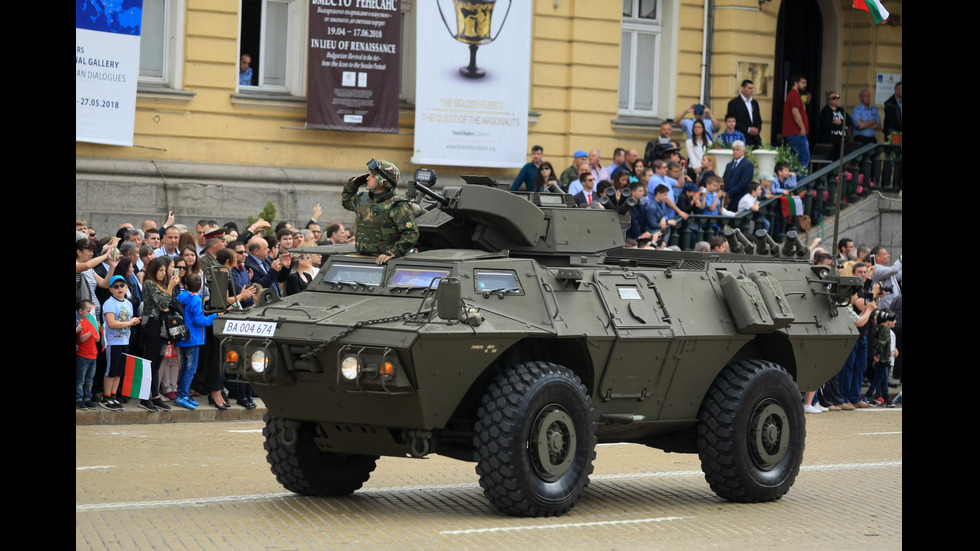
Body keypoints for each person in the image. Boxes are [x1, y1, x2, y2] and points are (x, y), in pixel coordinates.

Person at [342, 158, 419, 265]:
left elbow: (411, 234)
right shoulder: (362, 199)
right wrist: (353, 184)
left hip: (385, 262)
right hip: (361, 259)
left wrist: (393, 252)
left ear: (383, 181)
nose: (367, 178)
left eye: (372, 176)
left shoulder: (398, 205)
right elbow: (346, 202)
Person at [173, 273, 218, 410]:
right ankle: (182, 395)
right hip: (193, 338)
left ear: (186, 286)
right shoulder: (197, 300)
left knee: (186, 367)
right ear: (199, 288)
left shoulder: (181, 297)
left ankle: (184, 394)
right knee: (191, 368)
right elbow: (199, 320)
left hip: (183, 336)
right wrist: (214, 316)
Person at [101, 276, 142, 410]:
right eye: (116, 286)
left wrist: (134, 321)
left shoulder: (128, 303)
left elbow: (127, 321)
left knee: (119, 370)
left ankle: (113, 395)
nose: (119, 288)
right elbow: (111, 323)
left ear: (126, 287)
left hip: (125, 340)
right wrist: (130, 322)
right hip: (113, 342)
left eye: (122, 285)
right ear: (111, 289)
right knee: (111, 369)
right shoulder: (109, 303)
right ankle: (106, 396)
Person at [782, 73, 810, 173]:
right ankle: (801, 185)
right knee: (804, 158)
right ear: (796, 83)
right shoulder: (794, 95)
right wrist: (802, 127)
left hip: (793, 133)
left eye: (805, 83)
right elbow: (795, 113)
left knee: (794, 161)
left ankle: (794, 184)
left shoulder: (792, 94)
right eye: (802, 83)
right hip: (797, 133)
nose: (805, 85)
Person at [76, 300, 102, 410]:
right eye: (89, 312)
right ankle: (79, 399)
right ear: (80, 311)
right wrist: (92, 329)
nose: (92, 315)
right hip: (82, 356)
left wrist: (97, 329)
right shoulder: (79, 323)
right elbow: (81, 339)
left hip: (93, 356)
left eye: (94, 312)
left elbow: (97, 340)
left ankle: (88, 399)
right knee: (80, 380)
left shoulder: (92, 323)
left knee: (89, 380)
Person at [817, 90, 852, 160]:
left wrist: (840, 122)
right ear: (829, 100)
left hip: (842, 141)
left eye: (838, 97)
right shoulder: (825, 111)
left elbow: (849, 121)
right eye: (834, 98)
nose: (836, 99)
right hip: (831, 141)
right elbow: (827, 124)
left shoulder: (841, 110)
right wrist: (843, 127)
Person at [727, 80, 763, 146]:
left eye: (753, 88)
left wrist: (757, 129)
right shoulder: (734, 103)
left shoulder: (754, 103)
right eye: (749, 88)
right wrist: (748, 129)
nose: (752, 90)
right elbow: (732, 122)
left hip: (755, 139)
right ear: (742, 88)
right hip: (741, 138)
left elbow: (759, 120)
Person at [722, 140, 754, 206]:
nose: (735, 152)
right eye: (734, 150)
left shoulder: (748, 165)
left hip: (739, 199)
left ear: (743, 151)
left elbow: (744, 183)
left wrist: (729, 193)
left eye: (737, 150)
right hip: (726, 198)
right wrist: (723, 192)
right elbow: (724, 179)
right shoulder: (729, 165)